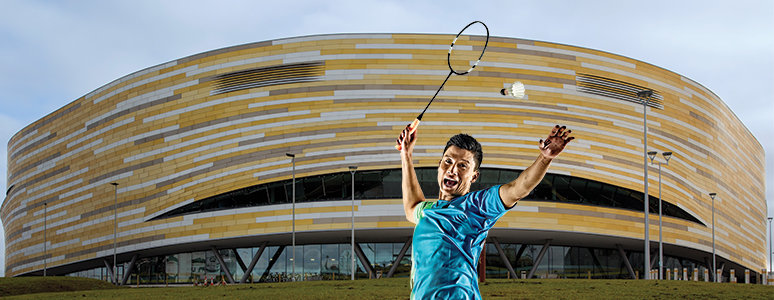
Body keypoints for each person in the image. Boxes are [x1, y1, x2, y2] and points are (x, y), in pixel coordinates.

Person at [397, 124, 574, 299]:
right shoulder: (426, 212)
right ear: (439, 165)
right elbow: (411, 206)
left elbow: (516, 188)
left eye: (462, 166)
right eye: (448, 162)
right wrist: (406, 154)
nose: (452, 170)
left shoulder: (476, 206)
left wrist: (544, 158)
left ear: (473, 176)